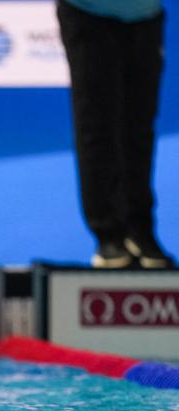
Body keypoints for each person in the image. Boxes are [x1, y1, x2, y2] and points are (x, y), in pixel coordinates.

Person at [57, 0, 175, 269]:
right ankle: (108, 234)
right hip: (88, 13)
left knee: (140, 128)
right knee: (97, 126)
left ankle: (140, 230)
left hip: (145, 15)